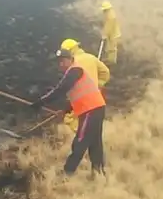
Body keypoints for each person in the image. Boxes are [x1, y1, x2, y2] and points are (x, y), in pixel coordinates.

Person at [30, 49, 107, 177]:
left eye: (63, 61)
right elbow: (78, 95)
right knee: (94, 142)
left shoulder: (75, 70)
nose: (60, 64)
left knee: (80, 141)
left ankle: (67, 173)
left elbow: (60, 90)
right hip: (95, 108)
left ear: (70, 59)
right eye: (59, 62)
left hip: (91, 109)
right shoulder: (74, 73)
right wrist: (65, 110)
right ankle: (98, 172)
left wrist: (41, 102)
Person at [59, 38, 110, 127]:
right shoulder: (91, 58)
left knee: (71, 121)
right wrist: (98, 85)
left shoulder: (72, 64)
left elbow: (69, 86)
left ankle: (79, 139)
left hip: (80, 101)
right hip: (95, 99)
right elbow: (105, 72)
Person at [100, 0, 121, 65]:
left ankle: (112, 61)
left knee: (112, 48)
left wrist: (104, 35)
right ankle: (109, 59)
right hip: (112, 34)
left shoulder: (111, 16)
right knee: (109, 47)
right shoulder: (109, 13)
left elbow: (108, 27)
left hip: (113, 35)